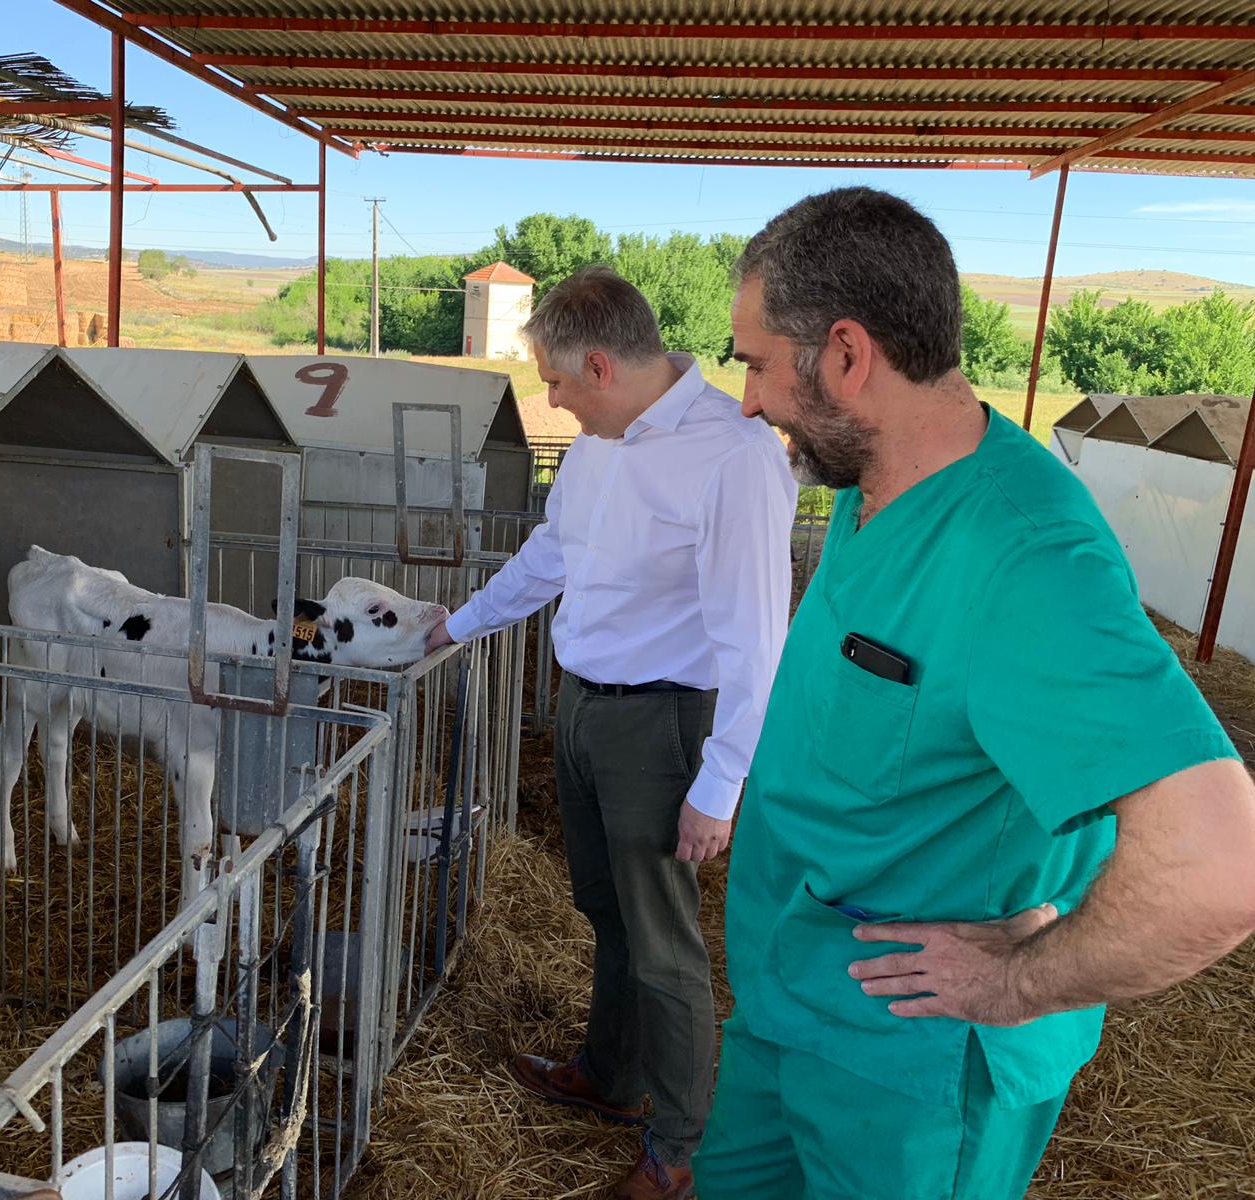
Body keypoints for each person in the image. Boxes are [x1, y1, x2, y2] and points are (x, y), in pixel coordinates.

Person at [692, 186, 1255, 1200]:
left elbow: (1219, 864)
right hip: (792, 1003)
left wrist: (1014, 980)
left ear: (848, 355)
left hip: (907, 1065)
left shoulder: (1023, 556)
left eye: (759, 366)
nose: (748, 401)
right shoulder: (877, 487)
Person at [425, 265, 796, 1199]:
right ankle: (613, 1075)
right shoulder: (597, 443)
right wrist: (457, 623)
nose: (549, 399)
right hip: (584, 705)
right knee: (605, 908)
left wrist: (720, 787)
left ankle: (678, 1148)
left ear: (598, 363)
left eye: (554, 381)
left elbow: (755, 638)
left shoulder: (732, 456)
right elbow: (554, 552)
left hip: (666, 723)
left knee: (666, 943)